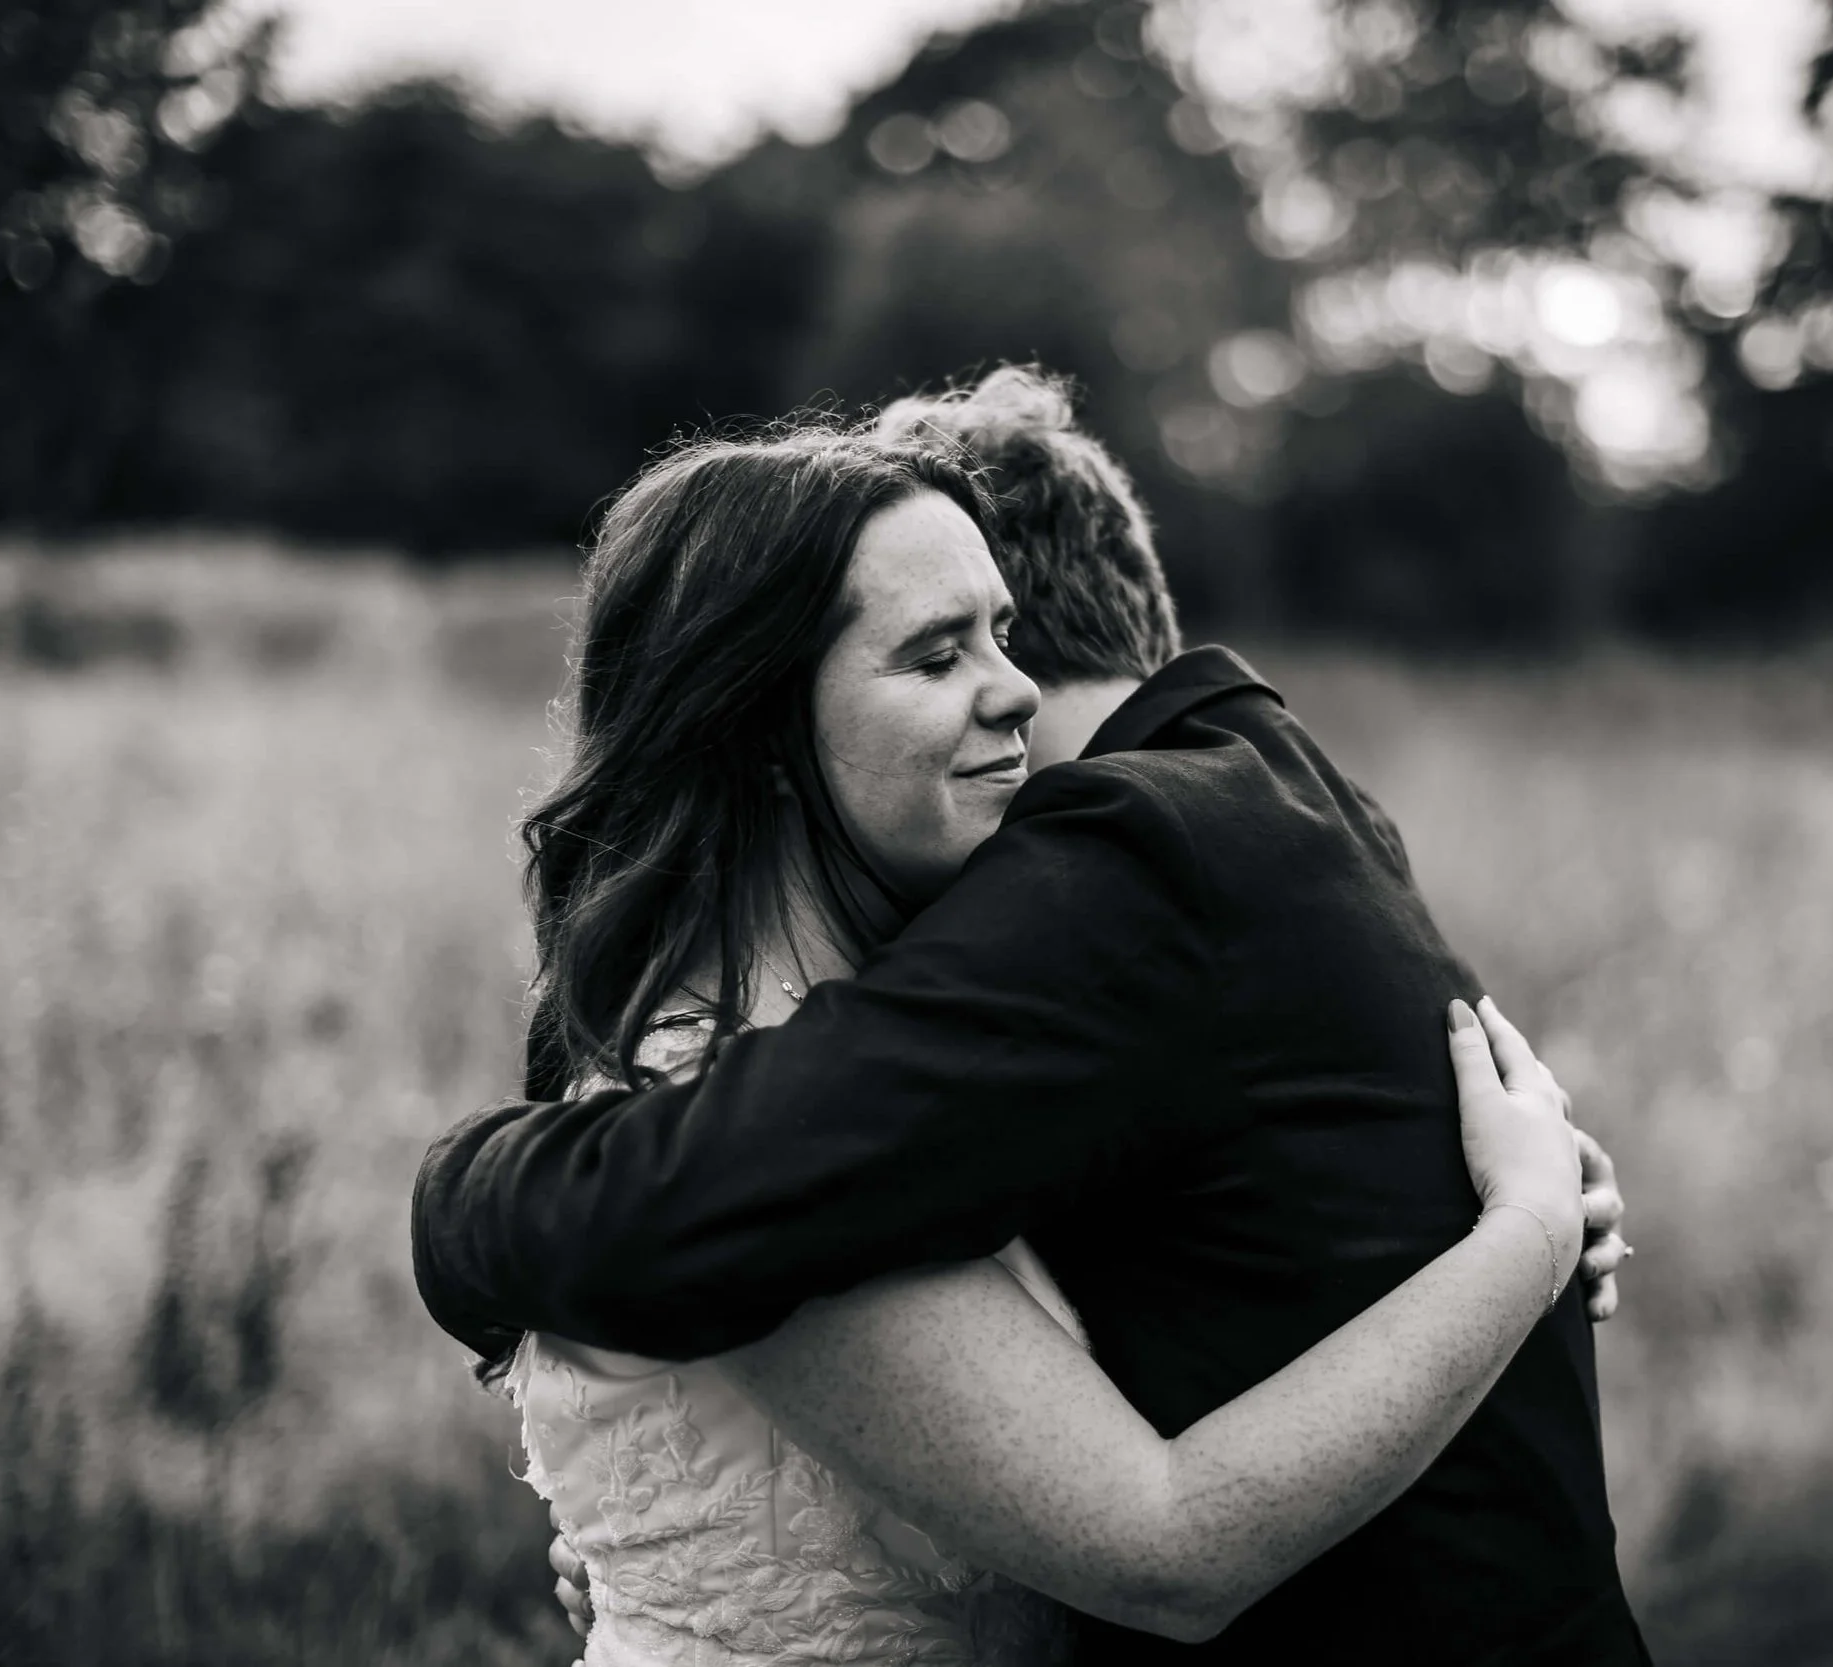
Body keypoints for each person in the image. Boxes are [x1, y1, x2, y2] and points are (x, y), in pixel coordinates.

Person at [415, 374, 1650, 1663]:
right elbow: (1158, 1542)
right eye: (939, 653)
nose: (1015, 691)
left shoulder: (922, 1057)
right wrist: (1527, 1231)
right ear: (763, 729)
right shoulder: (757, 1096)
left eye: (1005, 635)